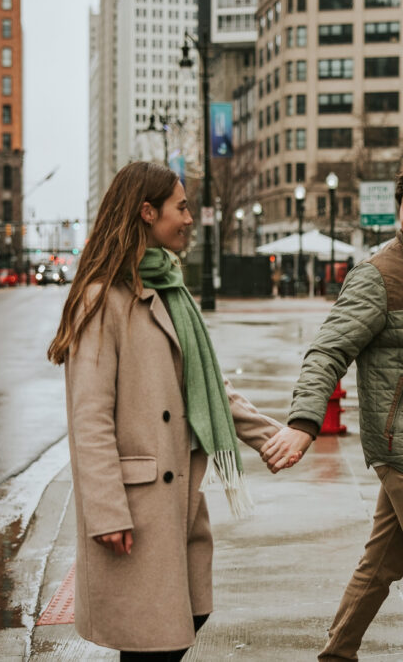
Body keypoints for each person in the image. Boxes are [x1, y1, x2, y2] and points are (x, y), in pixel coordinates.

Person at [47, 161, 284, 660]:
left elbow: (205, 390)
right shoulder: (101, 299)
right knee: (151, 641)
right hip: (135, 507)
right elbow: (89, 419)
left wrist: (267, 435)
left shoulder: (171, 290)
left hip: (177, 501)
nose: (190, 218)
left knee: (186, 620)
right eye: (181, 208)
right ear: (147, 212)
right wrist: (106, 511)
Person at [262, 161, 403, 661]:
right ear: (398, 209)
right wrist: (303, 423)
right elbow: (327, 352)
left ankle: (335, 655)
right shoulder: (378, 276)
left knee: (381, 564)